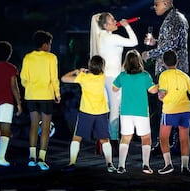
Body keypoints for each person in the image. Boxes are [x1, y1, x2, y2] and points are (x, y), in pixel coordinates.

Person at [141, 0, 190, 154]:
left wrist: (150, 53)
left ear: (166, 3)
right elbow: (171, 42)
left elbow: (171, 46)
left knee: (167, 108)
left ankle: (169, 145)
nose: (154, 7)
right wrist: (155, 42)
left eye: (156, 4)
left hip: (171, 72)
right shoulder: (176, 17)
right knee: (170, 107)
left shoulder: (174, 19)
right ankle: (171, 144)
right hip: (174, 71)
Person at [90, 12, 138, 153]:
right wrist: (127, 26)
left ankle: (102, 141)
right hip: (113, 78)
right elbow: (134, 42)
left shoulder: (101, 37)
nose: (115, 21)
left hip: (104, 77)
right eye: (112, 20)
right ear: (105, 25)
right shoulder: (113, 38)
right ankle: (114, 141)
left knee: (105, 109)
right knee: (115, 110)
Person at [60, 55, 116, 173]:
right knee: (104, 140)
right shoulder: (102, 77)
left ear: (90, 65)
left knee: (76, 138)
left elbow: (64, 78)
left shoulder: (83, 77)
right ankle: (109, 164)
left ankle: (72, 162)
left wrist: (77, 71)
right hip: (101, 112)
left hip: (86, 112)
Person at [112, 49, 158, 174]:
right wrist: (160, 85)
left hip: (126, 111)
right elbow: (153, 91)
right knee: (146, 138)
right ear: (139, 62)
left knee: (125, 138)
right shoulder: (145, 76)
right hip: (141, 112)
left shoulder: (122, 76)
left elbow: (114, 88)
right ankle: (146, 165)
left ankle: (121, 166)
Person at [20, 30, 61, 171]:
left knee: (33, 125)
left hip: (31, 96)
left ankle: (32, 157)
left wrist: (30, 87)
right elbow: (54, 78)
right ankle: (42, 159)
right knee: (45, 127)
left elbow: (23, 79)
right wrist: (57, 93)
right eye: (49, 44)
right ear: (44, 44)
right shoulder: (51, 58)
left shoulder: (27, 57)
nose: (50, 46)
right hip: (46, 96)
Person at [157, 50, 190, 175]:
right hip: (185, 109)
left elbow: (162, 94)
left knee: (163, 137)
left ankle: (168, 164)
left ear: (163, 62)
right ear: (177, 61)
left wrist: (160, 94)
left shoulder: (163, 75)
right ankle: (185, 166)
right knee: (184, 138)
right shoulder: (184, 75)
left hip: (170, 110)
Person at [0, 41, 23, 169]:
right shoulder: (11, 68)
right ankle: (2, 158)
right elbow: (14, 86)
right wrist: (19, 103)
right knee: (6, 130)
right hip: (7, 102)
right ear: (9, 54)